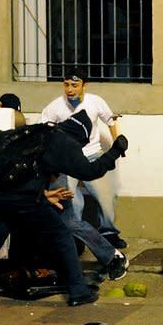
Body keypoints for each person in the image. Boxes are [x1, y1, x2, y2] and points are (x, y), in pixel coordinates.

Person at [0, 109, 128, 325]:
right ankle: (79, 292)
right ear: (80, 136)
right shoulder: (65, 141)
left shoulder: (33, 131)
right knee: (62, 236)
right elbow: (90, 171)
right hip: (25, 200)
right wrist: (115, 151)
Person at [40, 67, 127, 249]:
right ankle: (75, 238)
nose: (70, 89)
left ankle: (109, 233)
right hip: (67, 161)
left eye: (74, 85)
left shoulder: (95, 102)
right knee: (72, 201)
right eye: (66, 85)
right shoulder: (54, 107)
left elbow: (110, 121)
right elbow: (44, 132)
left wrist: (116, 143)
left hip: (93, 154)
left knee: (105, 197)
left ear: (84, 85)